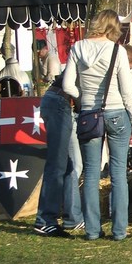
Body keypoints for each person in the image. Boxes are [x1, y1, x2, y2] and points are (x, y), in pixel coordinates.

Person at [62, 9, 132, 242]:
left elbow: (67, 86)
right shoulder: (117, 50)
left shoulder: (77, 48)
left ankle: (92, 230)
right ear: (114, 27)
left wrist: (83, 98)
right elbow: (127, 91)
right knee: (118, 173)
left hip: (89, 114)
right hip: (116, 113)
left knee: (91, 173)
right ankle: (119, 230)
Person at [33, 73, 84, 238]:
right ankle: (45, 220)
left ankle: (73, 217)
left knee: (68, 166)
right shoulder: (101, 60)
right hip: (60, 103)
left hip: (58, 101)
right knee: (57, 164)